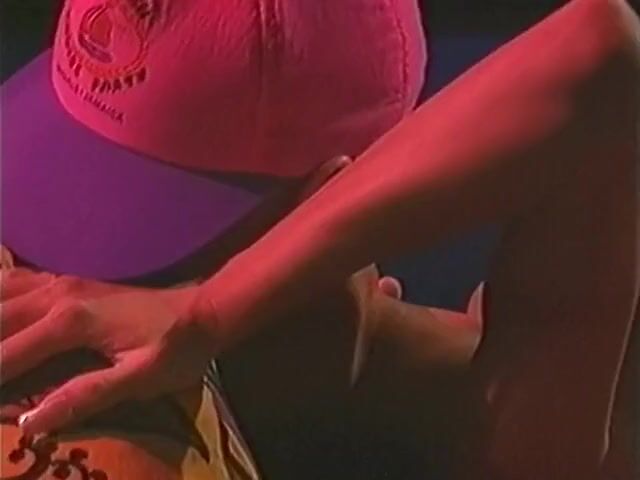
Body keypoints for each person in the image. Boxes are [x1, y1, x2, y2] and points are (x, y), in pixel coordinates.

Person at [2, 0, 639, 478]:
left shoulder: (510, 419)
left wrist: (206, 313)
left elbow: (604, 54)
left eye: (154, 252)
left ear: (333, 196)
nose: (88, 291)